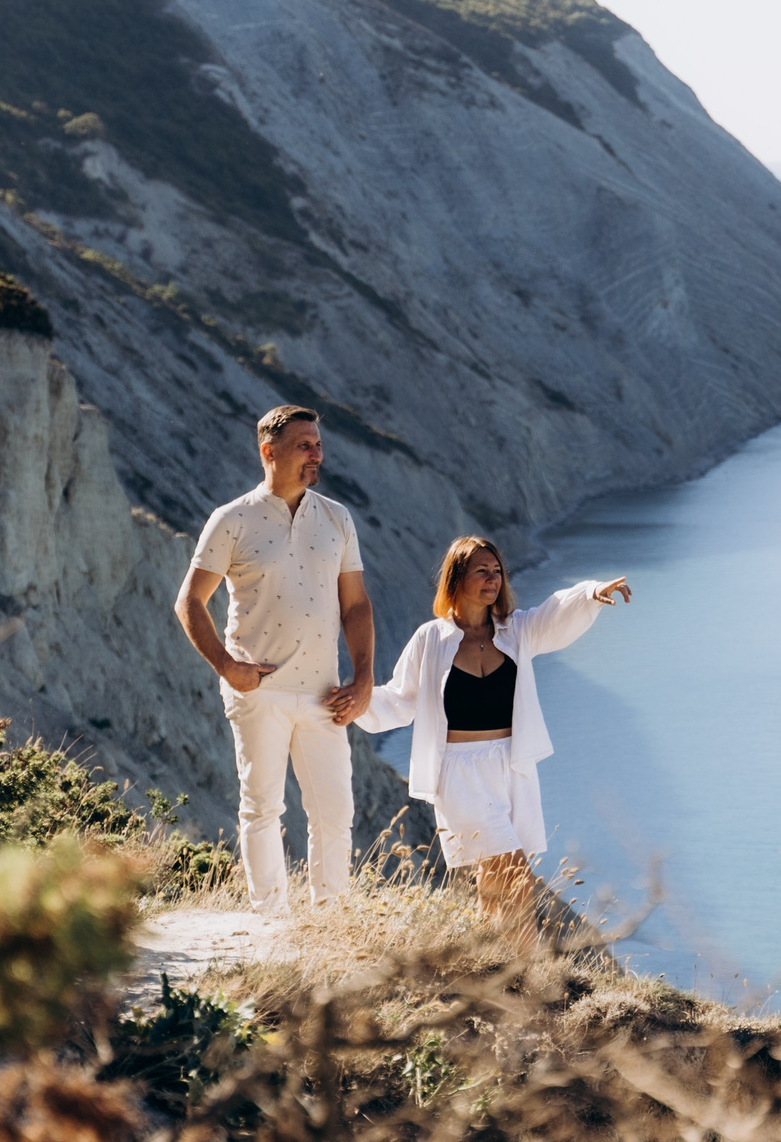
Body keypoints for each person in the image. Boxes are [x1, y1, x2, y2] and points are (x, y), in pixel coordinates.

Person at [361, 537, 630, 946]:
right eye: (481, 571)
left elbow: (553, 615)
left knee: (493, 885)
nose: (492, 579)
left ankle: (491, 972)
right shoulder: (431, 638)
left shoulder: (515, 630)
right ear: (456, 578)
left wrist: (590, 593)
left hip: (512, 766)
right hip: (458, 770)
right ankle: (531, 977)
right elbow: (400, 699)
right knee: (517, 877)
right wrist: (354, 702)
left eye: (497, 571)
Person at [175, 404, 374, 916]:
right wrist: (227, 666)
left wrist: (365, 678)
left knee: (334, 812)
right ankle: (270, 918)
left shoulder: (337, 518)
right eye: (304, 445)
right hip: (257, 688)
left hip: (324, 692)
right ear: (269, 451)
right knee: (262, 806)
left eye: (319, 445)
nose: (317, 455)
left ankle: (329, 919)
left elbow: (355, 604)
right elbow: (190, 602)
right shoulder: (232, 519)